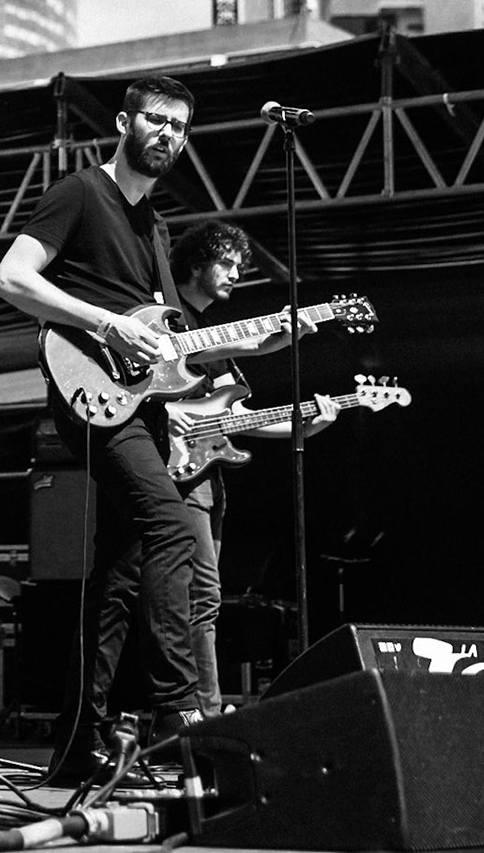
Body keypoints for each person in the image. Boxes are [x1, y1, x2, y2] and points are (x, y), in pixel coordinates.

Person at [0, 76, 219, 782]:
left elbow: (168, 346)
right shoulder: (80, 193)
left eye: (179, 126)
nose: (168, 135)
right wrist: (106, 322)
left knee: (120, 574)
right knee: (174, 529)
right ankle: (178, 709)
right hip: (88, 391)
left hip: (139, 406)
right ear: (124, 123)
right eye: (156, 120)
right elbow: (11, 279)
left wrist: (263, 338)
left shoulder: (156, 227)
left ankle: (76, 744)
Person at [167, 220, 336, 714]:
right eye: (227, 263)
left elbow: (237, 416)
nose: (236, 274)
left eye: (240, 265)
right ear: (196, 263)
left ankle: (190, 708)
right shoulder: (166, 321)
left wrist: (306, 426)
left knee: (202, 597)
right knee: (200, 596)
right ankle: (202, 711)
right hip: (170, 471)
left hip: (205, 477)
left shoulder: (213, 345)